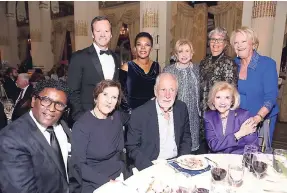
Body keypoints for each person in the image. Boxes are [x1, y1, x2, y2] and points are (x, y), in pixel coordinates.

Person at [0, 79, 73, 193]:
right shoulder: (11, 139)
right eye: (46, 100)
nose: (52, 109)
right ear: (34, 100)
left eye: (59, 104)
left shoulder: (61, 126)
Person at [126, 73, 192, 171]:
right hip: (150, 164)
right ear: (155, 91)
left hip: (176, 163)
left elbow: (186, 138)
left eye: (172, 90)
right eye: (163, 90)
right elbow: (132, 147)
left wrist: (181, 162)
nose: (167, 95)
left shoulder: (181, 108)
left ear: (176, 92)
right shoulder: (139, 114)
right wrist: (151, 169)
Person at [71, 80, 129, 192]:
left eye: (114, 97)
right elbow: (79, 166)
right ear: (96, 97)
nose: (109, 101)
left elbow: (137, 116)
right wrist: (108, 182)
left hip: (120, 175)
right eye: (105, 95)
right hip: (96, 182)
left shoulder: (117, 117)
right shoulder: (82, 126)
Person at [230, 26, 279, 151]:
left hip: (261, 118)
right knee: (237, 152)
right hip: (238, 118)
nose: (239, 45)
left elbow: (271, 97)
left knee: (257, 156)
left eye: (243, 41)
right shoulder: (233, 64)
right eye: (236, 42)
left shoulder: (267, 64)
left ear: (253, 44)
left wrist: (258, 118)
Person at [68, 16, 121, 122]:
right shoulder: (79, 57)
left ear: (111, 34)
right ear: (92, 34)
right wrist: (80, 117)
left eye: (106, 31)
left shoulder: (116, 57)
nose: (102, 34)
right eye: (98, 31)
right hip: (87, 115)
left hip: (111, 116)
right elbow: (72, 91)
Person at [199, 27, 238, 153]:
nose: (215, 43)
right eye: (213, 40)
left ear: (225, 44)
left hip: (219, 112)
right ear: (209, 42)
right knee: (204, 145)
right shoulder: (204, 61)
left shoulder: (228, 63)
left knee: (217, 146)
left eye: (219, 40)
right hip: (203, 110)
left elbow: (230, 91)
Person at [163, 39, 200, 154]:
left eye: (187, 51)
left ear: (192, 53)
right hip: (173, 114)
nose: (184, 54)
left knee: (191, 151)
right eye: (180, 51)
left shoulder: (197, 69)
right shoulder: (168, 70)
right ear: (176, 54)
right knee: (174, 147)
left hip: (193, 115)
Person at [204, 81, 258, 154]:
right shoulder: (209, 117)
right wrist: (239, 134)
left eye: (227, 97)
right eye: (218, 97)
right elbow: (214, 145)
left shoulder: (244, 116)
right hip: (218, 160)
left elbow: (253, 147)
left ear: (232, 101)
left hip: (239, 159)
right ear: (213, 100)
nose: (222, 102)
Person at [120, 32, 160, 111]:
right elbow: (121, 94)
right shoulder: (127, 67)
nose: (143, 48)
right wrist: (129, 112)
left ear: (151, 48)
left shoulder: (156, 66)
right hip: (132, 113)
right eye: (139, 45)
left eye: (147, 45)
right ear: (135, 48)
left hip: (151, 112)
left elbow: (158, 91)